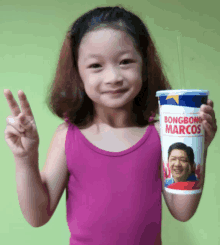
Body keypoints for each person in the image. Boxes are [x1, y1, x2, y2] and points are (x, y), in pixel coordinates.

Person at [3, 5, 217, 245]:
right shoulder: (67, 137)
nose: (113, 77)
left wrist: (198, 147)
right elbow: (37, 216)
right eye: (96, 66)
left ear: (144, 67)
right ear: (78, 73)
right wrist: (25, 159)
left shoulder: (162, 135)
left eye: (125, 61)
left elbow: (182, 211)